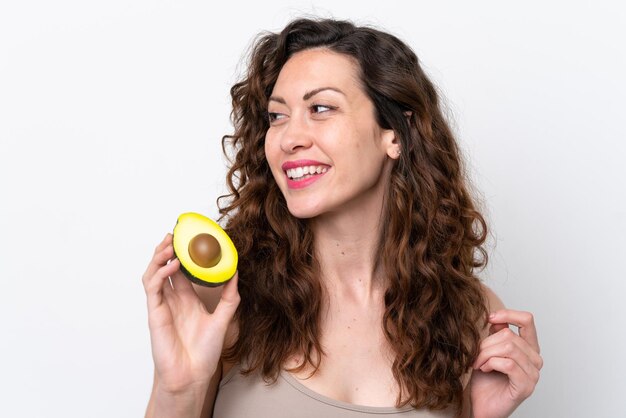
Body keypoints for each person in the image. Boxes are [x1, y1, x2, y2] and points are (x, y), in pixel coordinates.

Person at [142, 17, 542, 418]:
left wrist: (483, 416)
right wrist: (177, 391)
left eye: (320, 108)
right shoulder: (226, 299)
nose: (289, 137)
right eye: (277, 116)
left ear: (395, 134)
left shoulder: (469, 315)